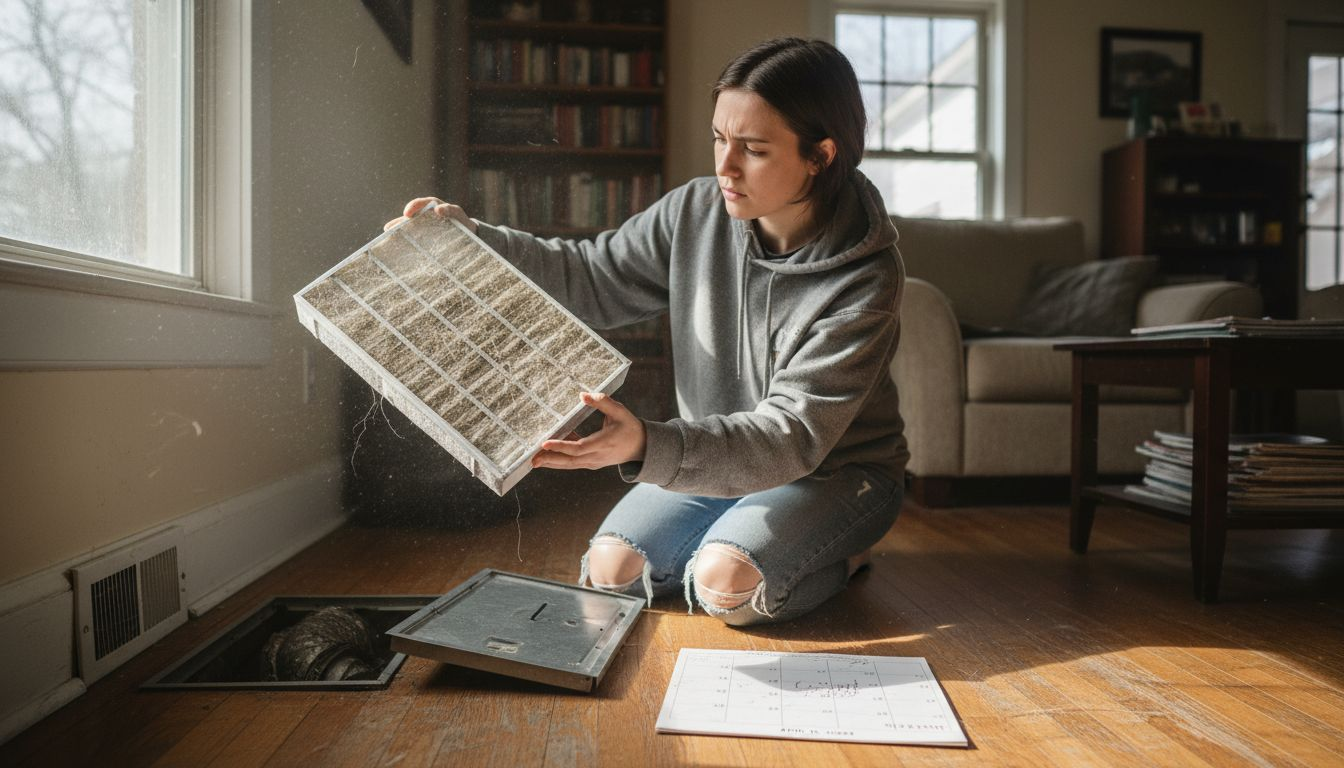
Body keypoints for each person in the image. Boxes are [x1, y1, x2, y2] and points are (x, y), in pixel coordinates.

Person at [385, 37, 907, 626]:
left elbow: (788, 436)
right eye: (719, 138)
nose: (724, 168)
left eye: (754, 149)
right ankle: (739, 538)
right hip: (711, 464)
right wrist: (476, 241)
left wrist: (645, 446)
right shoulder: (695, 211)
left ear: (822, 155)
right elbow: (589, 276)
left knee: (726, 586)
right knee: (613, 572)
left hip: (832, 475)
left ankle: (846, 553)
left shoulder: (866, 278)